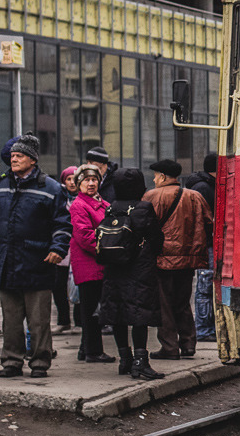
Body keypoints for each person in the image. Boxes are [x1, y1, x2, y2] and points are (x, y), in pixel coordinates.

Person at [0, 134, 71, 378]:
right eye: (12, 156)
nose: (14, 159)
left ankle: (39, 363)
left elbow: (63, 223)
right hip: (6, 263)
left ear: (33, 160)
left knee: (38, 322)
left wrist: (58, 249)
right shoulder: (1, 185)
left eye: (20, 156)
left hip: (37, 262)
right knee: (11, 322)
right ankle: (11, 362)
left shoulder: (51, 188)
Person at [98, 167, 165, 380]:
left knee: (118, 313)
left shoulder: (111, 208)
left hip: (114, 267)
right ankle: (140, 362)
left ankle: (124, 359)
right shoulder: (144, 208)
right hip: (139, 269)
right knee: (139, 314)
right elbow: (157, 239)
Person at [143, 159, 212, 360]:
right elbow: (209, 223)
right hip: (189, 260)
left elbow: (146, 225)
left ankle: (169, 347)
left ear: (163, 176)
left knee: (164, 303)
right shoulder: (195, 196)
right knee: (183, 302)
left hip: (163, 260)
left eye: (156, 176)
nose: (155, 179)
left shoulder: (152, 196)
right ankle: (189, 344)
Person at [69, 164, 114, 363]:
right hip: (90, 264)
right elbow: (85, 236)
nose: (91, 183)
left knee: (93, 308)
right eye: (86, 180)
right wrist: (108, 249)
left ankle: (84, 349)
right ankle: (93, 351)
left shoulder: (103, 203)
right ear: (79, 183)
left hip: (99, 263)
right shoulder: (80, 205)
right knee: (91, 311)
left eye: (94, 179)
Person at [182, 152, 217, 342]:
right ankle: (203, 329)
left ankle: (206, 327)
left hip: (206, 243)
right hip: (207, 244)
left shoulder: (203, 185)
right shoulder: (204, 188)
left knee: (206, 285)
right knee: (205, 287)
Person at [52, 166, 79, 334]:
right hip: (62, 247)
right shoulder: (58, 198)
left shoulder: (85, 198)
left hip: (78, 246)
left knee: (78, 285)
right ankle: (63, 320)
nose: (71, 182)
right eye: (68, 179)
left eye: (74, 179)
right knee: (58, 284)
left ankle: (80, 321)